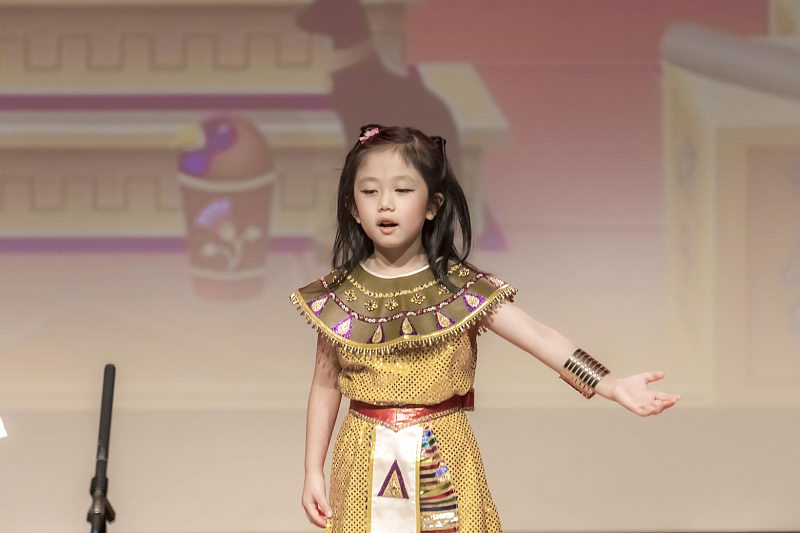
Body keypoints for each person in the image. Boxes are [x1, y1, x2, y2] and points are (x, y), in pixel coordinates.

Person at [289, 124, 681, 532]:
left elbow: (538, 336)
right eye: (370, 191)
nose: (385, 204)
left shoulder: (462, 290)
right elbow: (325, 385)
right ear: (353, 208)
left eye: (402, 190)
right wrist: (312, 471)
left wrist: (611, 385)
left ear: (432, 205)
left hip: (443, 451)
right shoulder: (337, 296)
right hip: (361, 457)